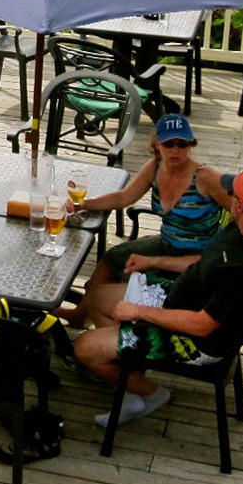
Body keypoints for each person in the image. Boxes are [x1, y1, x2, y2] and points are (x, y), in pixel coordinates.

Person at [71, 167, 243, 427]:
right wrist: (153, 260)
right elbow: (205, 261)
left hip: (193, 340)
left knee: (84, 349)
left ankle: (151, 393)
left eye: (231, 194)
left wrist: (139, 313)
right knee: (97, 297)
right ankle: (129, 376)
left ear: (241, 205)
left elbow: (203, 324)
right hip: (176, 300)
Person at [58, 112, 228, 327]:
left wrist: (225, 250)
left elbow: (238, 211)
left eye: (182, 144)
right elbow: (124, 197)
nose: (176, 150)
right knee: (113, 257)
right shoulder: (154, 167)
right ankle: (80, 314)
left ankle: (110, 327)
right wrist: (85, 204)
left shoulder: (205, 177)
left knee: (121, 281)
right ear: (157, 144)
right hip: (168, 242)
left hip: (198, 253)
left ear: (191, 145)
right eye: (169, 144)